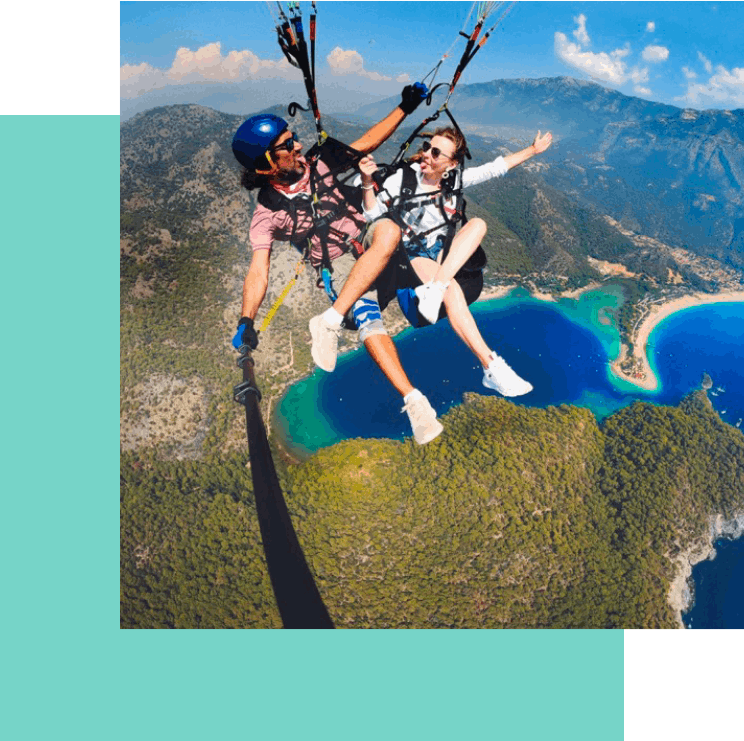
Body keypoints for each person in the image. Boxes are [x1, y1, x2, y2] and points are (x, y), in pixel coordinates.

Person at [230, 85, 445, 445]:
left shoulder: (321, 161)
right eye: (287, 145)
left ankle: (328, 322)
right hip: (339, 261)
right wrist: (246, 319)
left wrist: (404, 106)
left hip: (369, 232)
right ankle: (414, 400)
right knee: (368, 317)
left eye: (294, 138)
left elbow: (368, 141)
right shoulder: (267, 214)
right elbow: (258, 270)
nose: (297, 146)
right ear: (267, 164)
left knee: (391, 232)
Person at [309, 125, 553, 396]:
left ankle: (435, 289)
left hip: (439, 256)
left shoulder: (454, 180)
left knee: (479, 224)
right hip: (411, 256)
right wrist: (367, 182)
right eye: (427, 148)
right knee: (453, 292)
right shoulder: (402, 179)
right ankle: (491, 365)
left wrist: (532, 150)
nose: (427, 154)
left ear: (451, 163)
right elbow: (372, 214)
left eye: (436, 152)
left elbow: (495, 168)